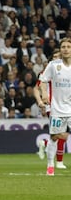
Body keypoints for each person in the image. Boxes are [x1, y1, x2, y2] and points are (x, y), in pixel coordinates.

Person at [38, 38, 71, 176]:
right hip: (57, 108)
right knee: (55, 137)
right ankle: (50, 165)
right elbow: (42, 81)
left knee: (63, 135)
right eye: (63, 46)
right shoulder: (53, 65)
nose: (65, 49)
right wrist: (44, 94)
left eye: (68, 47)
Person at [34, 49, 67, 169]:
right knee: (61, 133)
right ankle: (58, 162)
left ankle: (45, 144)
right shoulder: (46, 72)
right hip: (52, 106)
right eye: (55, 57)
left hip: (65, 105)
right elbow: (36, 88)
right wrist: (40, 101)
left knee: (62, 134)